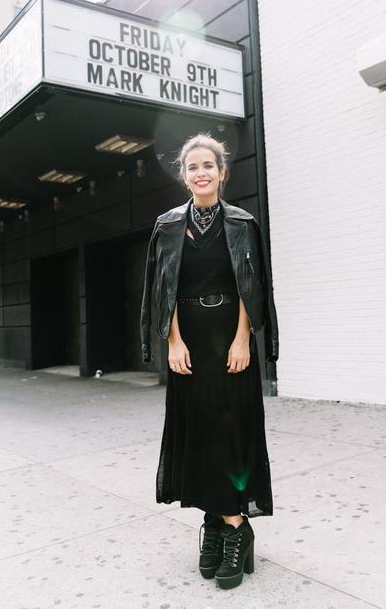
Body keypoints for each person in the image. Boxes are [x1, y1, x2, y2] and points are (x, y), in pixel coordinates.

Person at [140, 133, 279, 590]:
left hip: (231, 339)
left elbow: (252, 286)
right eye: (192, 167)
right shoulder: (166, 226)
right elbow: (164, 288)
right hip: (189, 342)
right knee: (198, 430)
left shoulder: (242, 223)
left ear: (222, 173)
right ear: (184, 175)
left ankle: (235, 526)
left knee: (230, 428)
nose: (201, 173)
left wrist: (244, 339)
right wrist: (172, 342)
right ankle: (219, 525)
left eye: (209, 166)